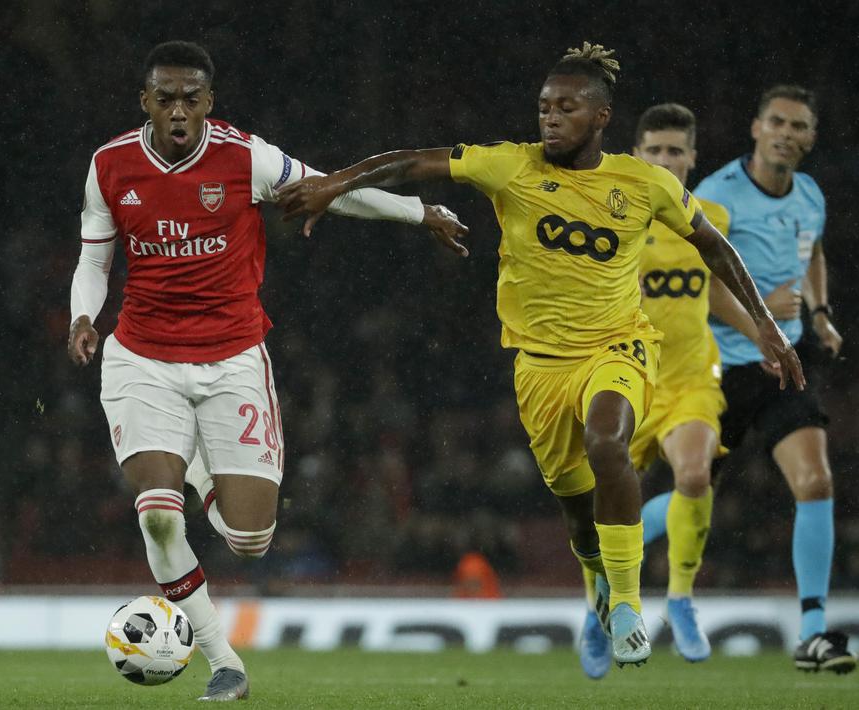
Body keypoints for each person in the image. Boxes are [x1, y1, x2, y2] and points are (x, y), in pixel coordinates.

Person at [276, 42, 803, 669]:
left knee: (609, 439)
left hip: (618, 346)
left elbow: (714, 247)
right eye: (544, 107)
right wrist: (336, 182)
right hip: (539, 366)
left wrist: (765, 326)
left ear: (601, 118)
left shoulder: (645, 184)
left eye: (567, 108)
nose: (550, 118)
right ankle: (602, 586)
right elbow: (416, 162)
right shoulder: (512, 166)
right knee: (579, 519)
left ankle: (631, 607)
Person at [66, 40, 466, 701]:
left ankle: (195, 466)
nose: (177, 110)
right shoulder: (109, 164)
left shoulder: (245, 157)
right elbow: (92, 257)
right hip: (142, 357)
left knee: (249, 541)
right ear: (144, 102)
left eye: (190, 99)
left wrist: (417, 212)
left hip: (232, 359)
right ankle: (225, 663)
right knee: (159, 517)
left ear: (208, 103)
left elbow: (331, 191)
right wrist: (84, 316)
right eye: (164, 98)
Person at [693, 85, 854, 674]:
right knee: (689, 494)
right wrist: (762, 319)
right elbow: (699, 284)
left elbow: (811, 253)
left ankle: (813, 632)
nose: (788, 132)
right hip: (716, 369)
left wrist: (818, 313)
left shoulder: (808, 194)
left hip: (783, 368)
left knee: (814, 482)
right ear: (756, 128)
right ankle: (609, 587)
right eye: (778, 122)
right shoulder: (714, 196)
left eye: (800, 126)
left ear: (810, 138)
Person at [607, 102, 769, 676]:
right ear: (636, 155)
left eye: (676, 150)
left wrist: (764, 334)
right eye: (654, 150)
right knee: (598, 507)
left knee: (695, 475)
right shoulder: (616, 216)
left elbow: (713, 291)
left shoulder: (712, 219)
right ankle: (603, 605)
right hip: (624, 379)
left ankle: (679, 598)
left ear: (694, 158)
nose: (666, 159)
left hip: (690, 379)